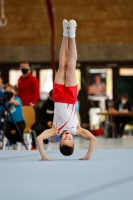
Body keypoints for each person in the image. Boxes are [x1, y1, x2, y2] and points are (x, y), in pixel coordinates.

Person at [37, 19, 96, 161]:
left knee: (62, 65)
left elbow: (39, 138)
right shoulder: (78, 130)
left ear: (60, 140)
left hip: (57, 96)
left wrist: (44, 156)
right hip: (70, 96)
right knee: (70, 66)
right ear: (73, 141)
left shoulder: (54, 130)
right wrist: (87, 156)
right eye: (69, 139)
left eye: (64, 139)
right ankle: (73, 35)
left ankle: (65, 33)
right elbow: (93, 139)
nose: (67, 136)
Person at [0, 84, 25, 150]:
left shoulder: (17, 99)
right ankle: (14, 141)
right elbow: (1, 109)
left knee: (20, 128)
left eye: (10, 91)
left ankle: (19, 143)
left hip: (20, 121)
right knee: (3, 127)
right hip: (10, 122)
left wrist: (11, 100)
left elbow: (17, 103)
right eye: (6, 91)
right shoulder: (5, 101)